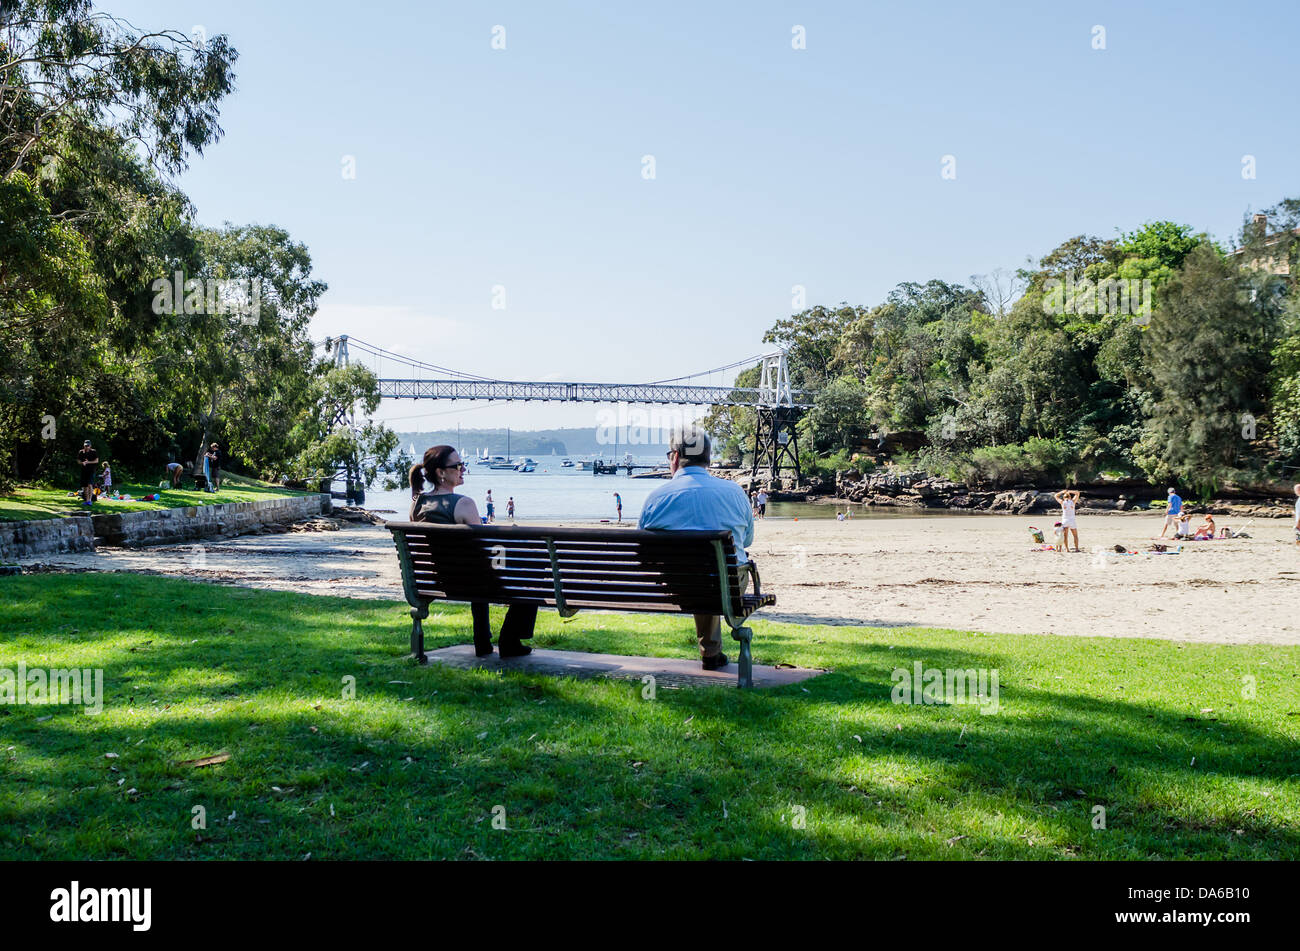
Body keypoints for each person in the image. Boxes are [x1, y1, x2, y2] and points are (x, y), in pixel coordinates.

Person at [638, 424, 754, 671]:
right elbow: (748, 541)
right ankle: (710, 652)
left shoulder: (656, 498)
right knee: (715, 573)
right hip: (727, 586)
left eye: (669, 455)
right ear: (708, 458)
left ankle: (710, 650)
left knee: (696, 573)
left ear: (676, 457)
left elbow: (643, 551)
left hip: (677, 585)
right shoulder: (734, 492)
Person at [409, 446, 537, 657]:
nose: (463, 469)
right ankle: (510, 638)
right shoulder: (463, 503)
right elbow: (485, 547)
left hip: (439, 579)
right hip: (473, 579)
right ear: (441, 473)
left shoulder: (417, 504)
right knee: (533, 567)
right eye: (457, 466)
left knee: (477, 570)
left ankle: (483, 642)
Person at [76, 440, 99, 506]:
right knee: (85, 486)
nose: (87, 447)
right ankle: (87, 500)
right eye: (85, 445)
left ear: (90, 446)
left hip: (91, 471)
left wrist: (88, 462)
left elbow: (96, 461)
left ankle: (89, 500)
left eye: (88, 445)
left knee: (90, 484)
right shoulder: (81, 452)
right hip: (84, 471)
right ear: (84, 445)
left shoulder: (93, 451)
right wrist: (82, 462)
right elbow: (78, 460)